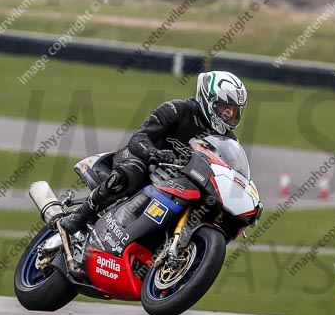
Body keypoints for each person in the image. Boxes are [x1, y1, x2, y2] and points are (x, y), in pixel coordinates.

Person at [61, 70, 248, 234]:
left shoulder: (228, 140)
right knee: (132, 170)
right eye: (225, 108)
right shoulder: (176, 109)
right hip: (141, 160)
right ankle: (80, 216)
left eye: (234, 111)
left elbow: (229, 170)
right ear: (208, 100)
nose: (229, 116)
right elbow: (138, 138)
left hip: (180, 182)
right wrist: (153, 153)